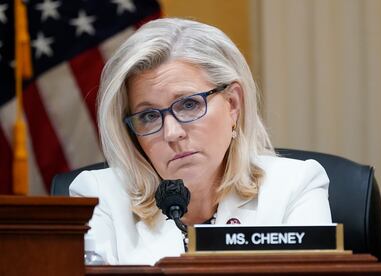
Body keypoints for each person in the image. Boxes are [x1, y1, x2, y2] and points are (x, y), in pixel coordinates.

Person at [70, 18, 332, 265]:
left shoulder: (295, 187)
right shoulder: (99, 196)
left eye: (188, 104)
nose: (172, 133)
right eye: (149, 116)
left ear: (232, 104)